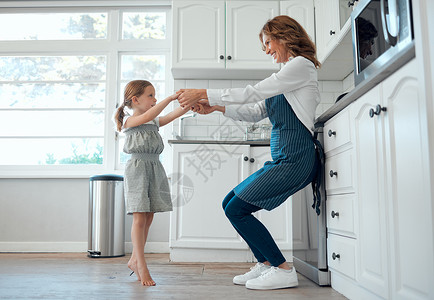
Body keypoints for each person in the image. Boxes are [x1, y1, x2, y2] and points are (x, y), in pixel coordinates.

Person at [177, 15, 322, 290]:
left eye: (268, 42)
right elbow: (255, 112)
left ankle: (282, 269)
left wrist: (204, 92)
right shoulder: (286, 75)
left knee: (236, 209)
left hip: (296, 158)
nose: (267, 50)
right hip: (283, 158)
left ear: (284, 36)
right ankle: (265, 263)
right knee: (229, 202)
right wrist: (216, 107)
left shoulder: (300, 66)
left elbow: (252, 92)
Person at [114, 80, 186, 286]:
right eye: (151, 96)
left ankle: (135, 259)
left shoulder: (153, 121)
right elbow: (149, 116)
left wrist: (188, 105)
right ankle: (142, 265)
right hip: (137, 169)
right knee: (139, 217)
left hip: (155, 168)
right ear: (135, 100)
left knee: (149, 214)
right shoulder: (129, 121)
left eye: (156, 96)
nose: (154, 100)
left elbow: (169, 116)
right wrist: (170, 98)